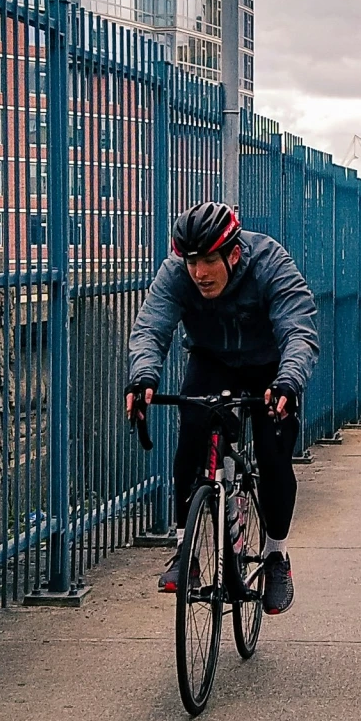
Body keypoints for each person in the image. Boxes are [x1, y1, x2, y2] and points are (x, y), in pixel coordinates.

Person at [126, 202, 317, 614]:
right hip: (212, 360)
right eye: (192, 261)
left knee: (274, 452)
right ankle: (185, 550)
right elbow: (151, 326)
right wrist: (142, 378)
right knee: (192, 434)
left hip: (269, 366)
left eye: (209, 260)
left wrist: (289, 380)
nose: (199, 273)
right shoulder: (176, 273)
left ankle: (276, 556)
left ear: (232, 253)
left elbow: (298, 329)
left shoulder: (269, 262)